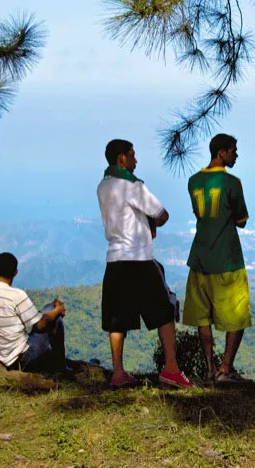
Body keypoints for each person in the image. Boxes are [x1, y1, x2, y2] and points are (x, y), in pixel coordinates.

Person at [97, 139, 191, 388]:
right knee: (164, 311)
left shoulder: (103, 186)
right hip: (139, 258)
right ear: (121, 159)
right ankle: (171, 368)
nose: (136, 160)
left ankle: (118, 372)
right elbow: (162, 214)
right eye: (132, 155)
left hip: (114, 258)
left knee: (117, 319)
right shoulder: (132, 186)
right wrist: (151, 223)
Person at [183, 134, 252, 384]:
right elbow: (241, 220)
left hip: (200, 257)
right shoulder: (232, 182)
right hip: (227, 258)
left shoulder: (193, 181)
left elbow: (199, 214)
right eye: (233, 151)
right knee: (237, 313)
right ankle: (225, 369)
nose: (236, 155)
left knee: (203, 317)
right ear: (221, 153)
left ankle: (210, 369)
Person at [0, 252, 68, 374]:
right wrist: (57, 310)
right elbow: (40, 325)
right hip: (22, 358)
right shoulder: (17, 295)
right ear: (15, 273)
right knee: (56, 320)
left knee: (49, 309)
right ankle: (61, 367)